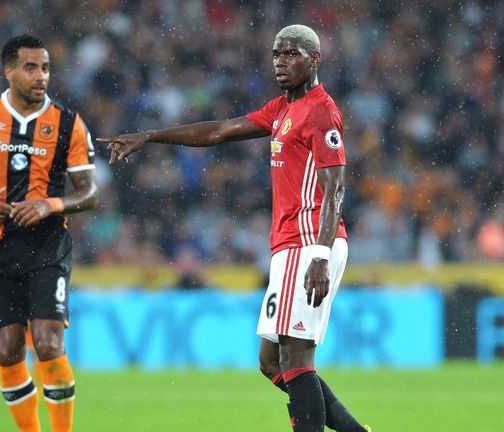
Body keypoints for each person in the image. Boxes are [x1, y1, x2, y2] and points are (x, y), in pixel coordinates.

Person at [99, 25, 371, 432]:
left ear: (315, 60)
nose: (281, 61)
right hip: (288, 246)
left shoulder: (321, 110)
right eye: (276, 54)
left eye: (292, 54)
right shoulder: (282, 109)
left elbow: (335, 186)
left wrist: (319, 254)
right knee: (270, 361)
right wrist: (153, 136)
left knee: (297, 360)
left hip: (310, 241)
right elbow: (219, 131)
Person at [0, 34, 99, 432]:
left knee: (47, 343)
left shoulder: (67, 123)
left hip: (48, 247)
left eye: (45, 67)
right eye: (30, 67)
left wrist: (50, 204)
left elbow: (90, 191)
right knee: (8, 352)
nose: (40, 76)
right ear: (8, 71)